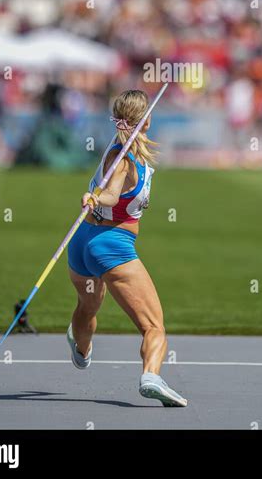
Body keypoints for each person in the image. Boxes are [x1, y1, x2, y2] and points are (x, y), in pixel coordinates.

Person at [66, 89, 187, 407]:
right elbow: (110, 192)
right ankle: (151, 376)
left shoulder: (118, 150)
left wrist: (95, 197)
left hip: (81, 245)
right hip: (111, 247)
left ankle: (81, 347)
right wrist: (95, 197)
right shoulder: (124, 160)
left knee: (88, 308)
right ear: (145, 122)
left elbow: (107, 190)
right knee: (154, 326)